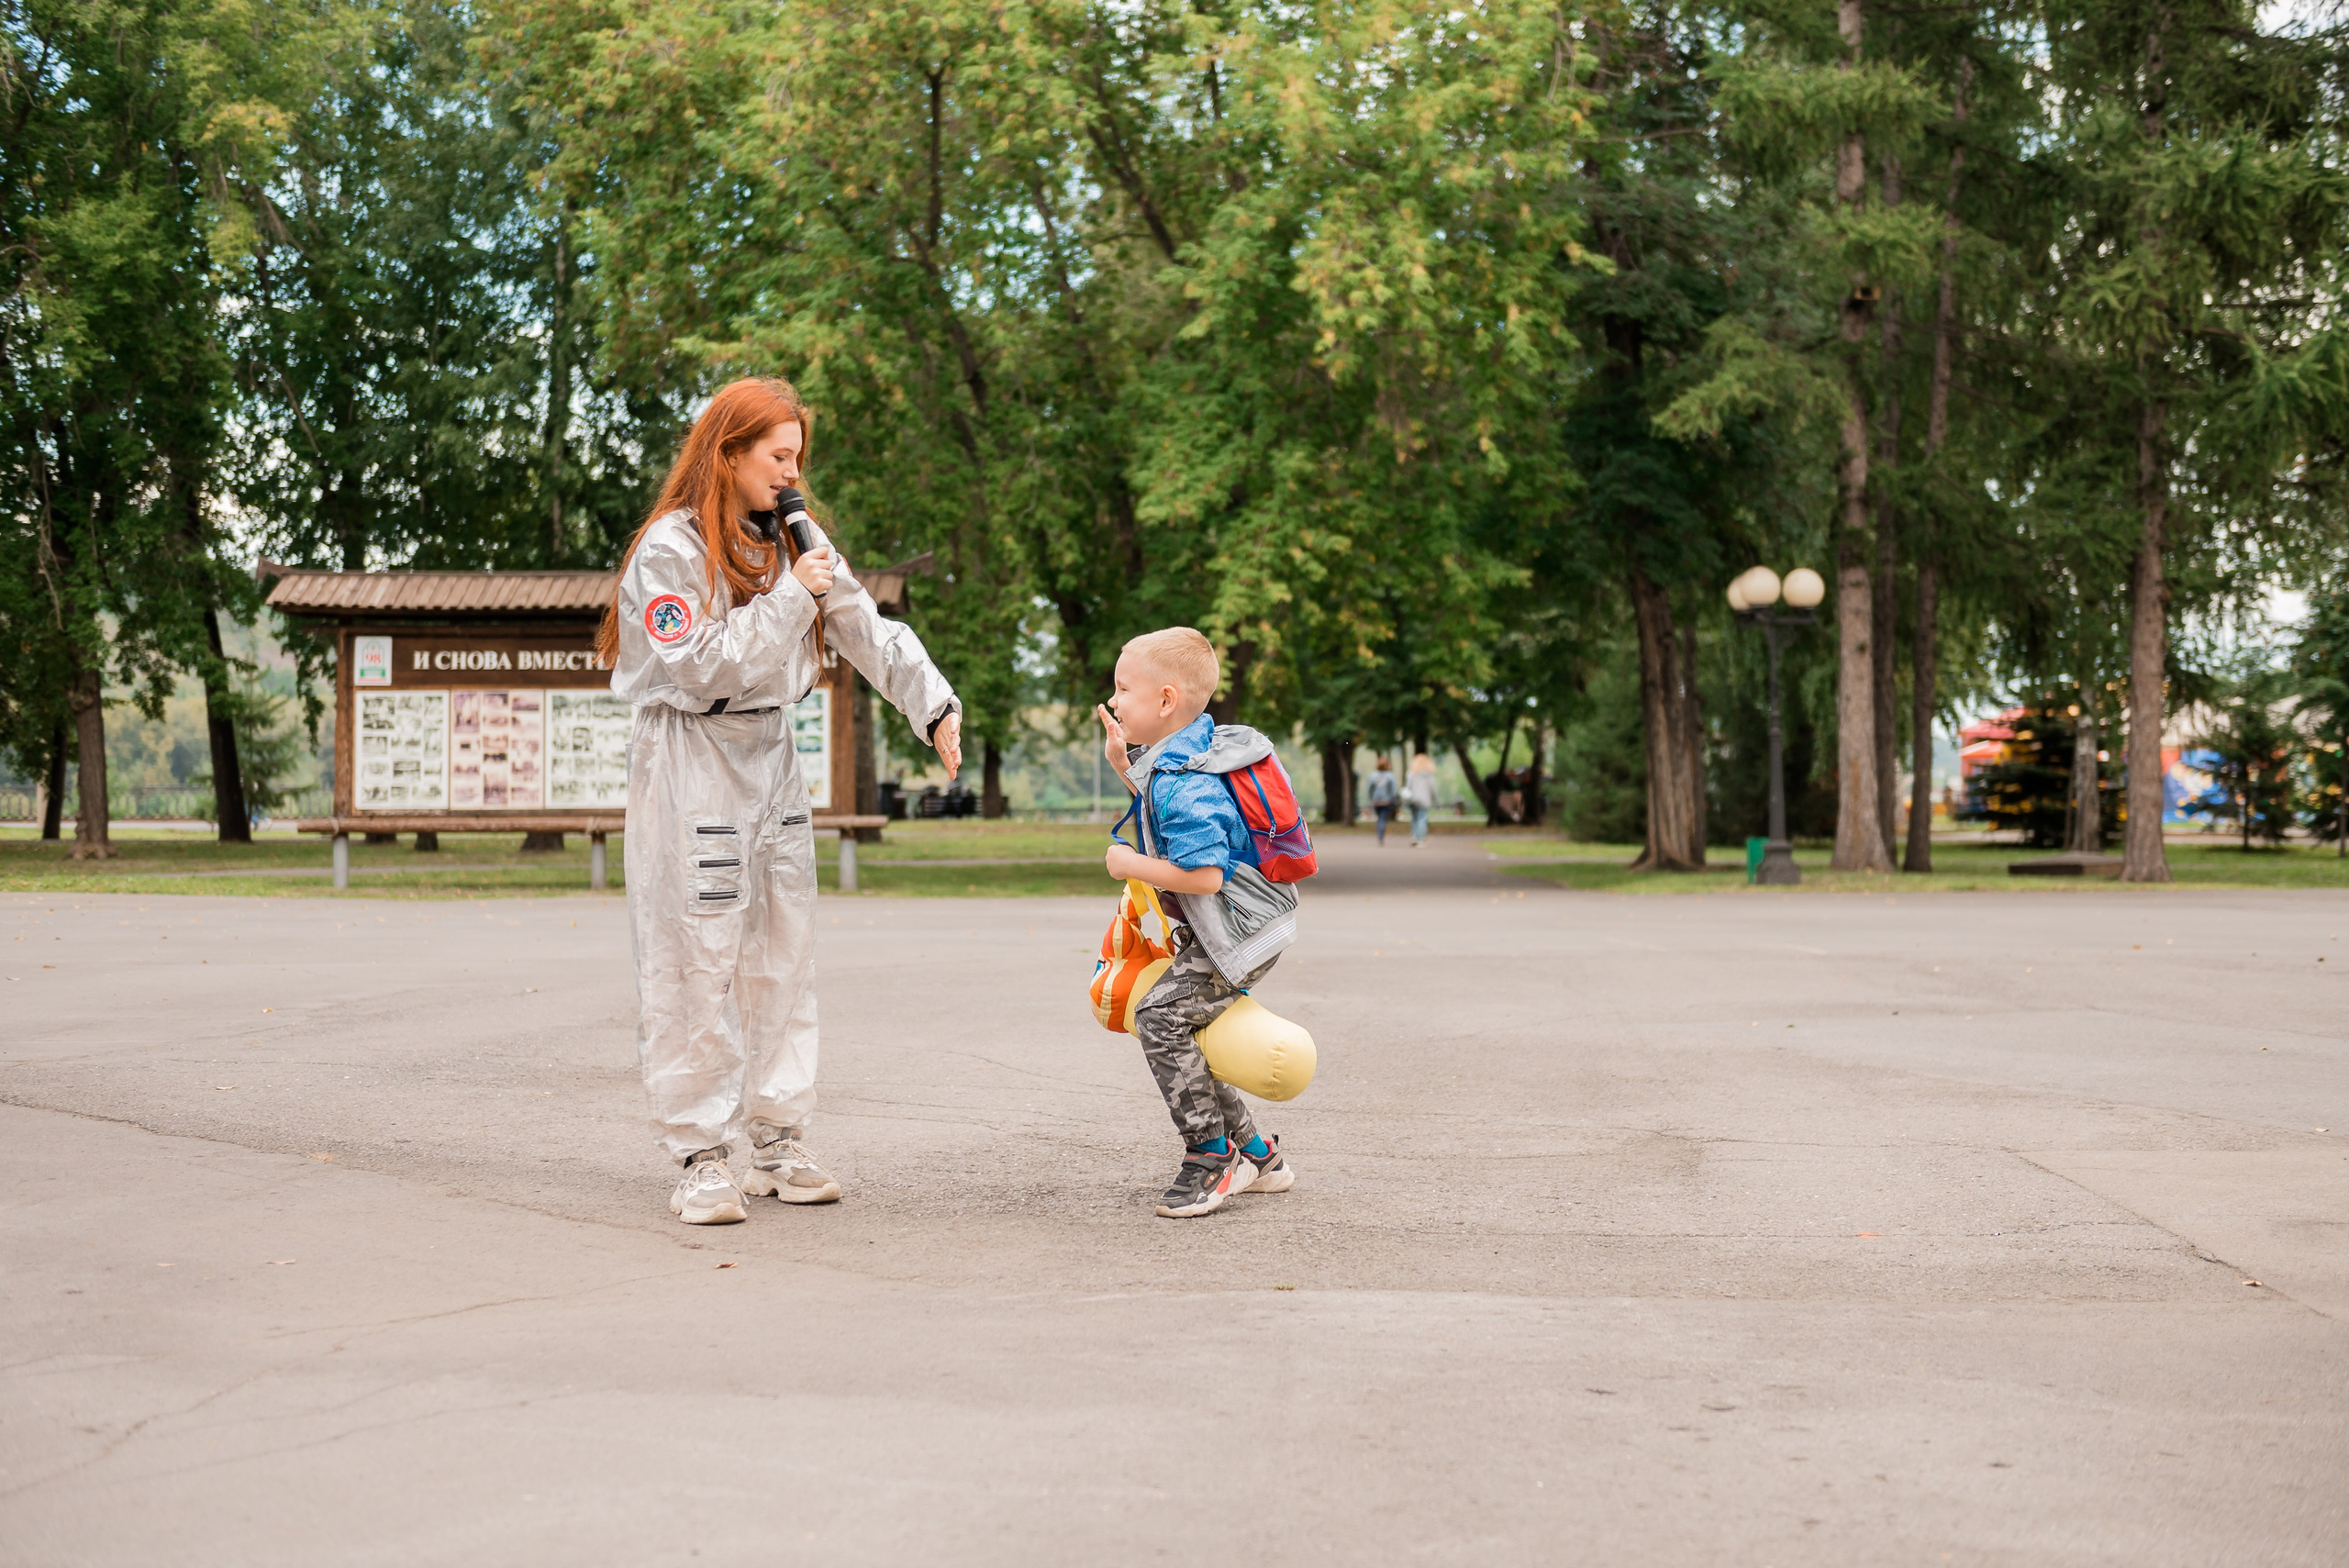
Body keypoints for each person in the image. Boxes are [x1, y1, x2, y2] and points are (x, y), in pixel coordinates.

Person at [599, 377, 963, 1226]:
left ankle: (778, 1137)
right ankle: (698, 1153)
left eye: (798, 456)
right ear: (728, 453)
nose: (792, 473)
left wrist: (933, 702)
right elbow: (698, 664)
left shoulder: (790, 540)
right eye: (778, 456)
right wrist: (795, 592)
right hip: (692, 759)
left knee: (783, 955)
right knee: (696, 957)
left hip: (773, 758)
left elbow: (865, 625)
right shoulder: (670, 548)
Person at [1095, 628, 1299, 1218]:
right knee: (1191, 1033)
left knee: (1159, 1017)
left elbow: (1206, 874)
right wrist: (1123, 764)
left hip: (1238, 933)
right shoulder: (1189, 755)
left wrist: (1130, 863)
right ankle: (1260, 1157)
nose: (1114, 701)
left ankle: (1211, 1158)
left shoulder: (1185, 782)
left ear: (1165, 702)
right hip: (1257, 921)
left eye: (1123, 689)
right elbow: (1170, 804)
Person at [1404, 752, 1438, 846]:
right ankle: (1421, 839)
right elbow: (1433, 789)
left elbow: (1408, 787)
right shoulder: (1429, 775)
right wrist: (1435, 800)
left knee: (1414, 819)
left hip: (1413, 799)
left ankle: (1414, 836)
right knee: (1422, 819)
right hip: (1424, 800)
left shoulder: (1411, 774)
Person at [1365, 755, 1400, 844]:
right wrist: (1394, 799)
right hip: (1386, 801)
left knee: (1379, 818)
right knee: (1383, 818)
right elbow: (1393, 790)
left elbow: (1369, 788)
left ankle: (1380, 833)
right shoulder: (1390, 776)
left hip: (1376, 801)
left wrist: (1371, 797)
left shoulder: (1373, 775)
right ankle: (1381, 833)